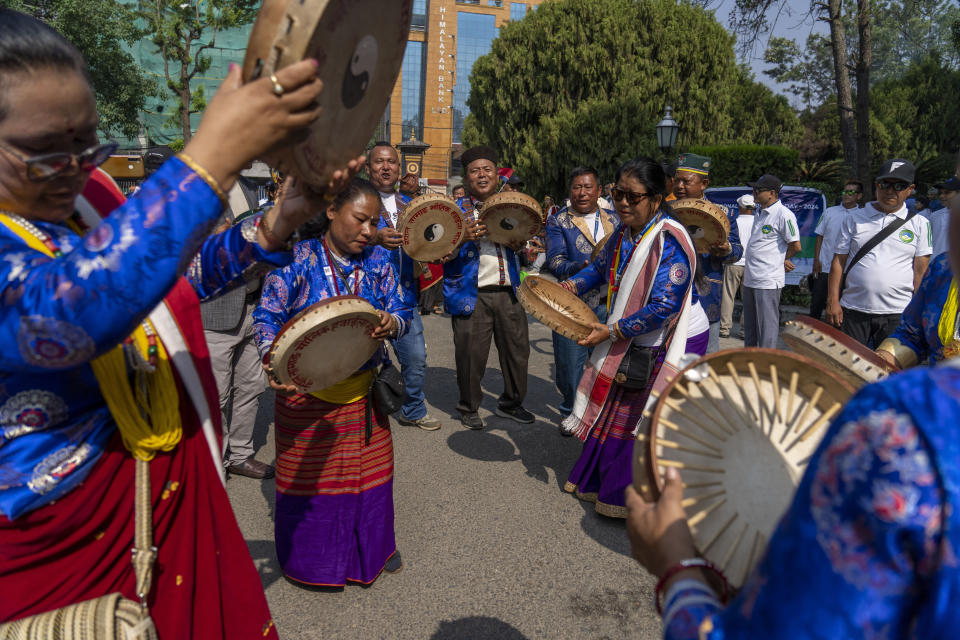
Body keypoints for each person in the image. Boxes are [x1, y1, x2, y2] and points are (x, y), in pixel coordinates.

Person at [0, 9, 358, 635]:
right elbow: (59, 314)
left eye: (89, 143)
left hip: (155, 506)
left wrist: (278, 221)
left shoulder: (91, 198)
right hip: (58, 549)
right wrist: (212, 154)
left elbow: (165, 291)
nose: (79, 166)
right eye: (44, 153)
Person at [624, 186, 960, 640]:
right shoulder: (941, 274)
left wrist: (679, 570)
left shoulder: (906, 427)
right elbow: (913, 336)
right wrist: (877, 364)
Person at [252, 178, 414, 587]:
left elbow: (401, 308)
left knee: (372, 482)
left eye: (374, 223)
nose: (368, 230)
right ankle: (314, 564)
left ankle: (372, 551)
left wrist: (391, 322)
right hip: (304, 396)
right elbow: (266, 315)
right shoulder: (297, 259)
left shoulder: (378, 261)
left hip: (362, 396)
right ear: (330, 211)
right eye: (360, 219)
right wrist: (273, 363)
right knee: (312, 488)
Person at [558, 157, 696, 516]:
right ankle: (599, 482)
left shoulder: (670, 240)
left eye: (632, 197)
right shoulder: (624, 232)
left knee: (638, 420)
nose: (622, 203)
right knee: (615, 409)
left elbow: (666, 306)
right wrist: (568, 287)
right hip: (630, 331)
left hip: (667, 338)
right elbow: (599, 270)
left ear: (655, 198)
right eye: (618, 193)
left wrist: (613, 330)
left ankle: (627, 498)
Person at [444, 145, 533, 430]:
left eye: (487, 170)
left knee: (517, 353)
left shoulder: (513, 206)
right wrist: (461, 238)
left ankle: (511, 403)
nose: (482, 175)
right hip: (472, 294)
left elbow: (526, 243)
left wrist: (521, 245)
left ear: (497, 174)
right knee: (471, 356)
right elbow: (436, 252)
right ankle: (469, 407)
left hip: (509, 292)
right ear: (466, 178)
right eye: (474, 171)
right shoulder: (453, 212)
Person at [367, 142, 441, 431]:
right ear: (367, 167)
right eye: (379, 162)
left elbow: (428, 240)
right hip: (364, 295)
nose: (386, 167)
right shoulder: (357, 200)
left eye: (391, 162)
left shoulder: (410, 205)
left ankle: (412, 409)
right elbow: (340, 235)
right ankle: (360, 419)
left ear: (399, 169)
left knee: (415, 358)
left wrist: (438, 251)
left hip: (404, 295)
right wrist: (375, 237)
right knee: (359, 360)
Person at [200, 203, 276, 479]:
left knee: (252, 386)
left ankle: (240, 455)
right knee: (216, 394)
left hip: (253, 311)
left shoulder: (247, 191)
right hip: (215, 317)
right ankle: (215, 458)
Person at [826, 159, 933, 348]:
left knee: (890, 372)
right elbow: (838, 261)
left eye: (899, 185)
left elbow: (920, 273)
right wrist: (833, 300)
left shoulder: (920, 224)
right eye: (885, 184)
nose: (890, 191)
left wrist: (918, 315)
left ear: (910, 189)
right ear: (876, 185)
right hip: (853, 310)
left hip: (898, 313)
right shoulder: (854, 219)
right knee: (849, 371)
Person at [544, 166, 618, 427]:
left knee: (606, 363)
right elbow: (555, 262)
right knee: (569, 365)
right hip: (572, 305)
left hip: (611, 305)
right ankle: (570, 412)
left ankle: (599, 414)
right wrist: (589, 266)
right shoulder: (557, 221)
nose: (582, 192)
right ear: (570, 191)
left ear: (599, 190)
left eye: (588, 187)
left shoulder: (616, 219)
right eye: (577, 187)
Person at [672, 153, 742, 354]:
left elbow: (737, 252)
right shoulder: (664, 212)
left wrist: (726, 249)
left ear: (704, 184)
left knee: (704, 359)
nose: (679, 186)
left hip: (706, 295)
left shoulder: (723, 215)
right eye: (676, 180)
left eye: (686, 181)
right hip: (669, 293)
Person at [741, 174, 801, 348]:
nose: (754, 192)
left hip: (767, 280)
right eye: (753, 189)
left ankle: (766, 364)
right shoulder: (759, 212)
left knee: (767, 327)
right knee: (750, 326)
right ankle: (750, 360)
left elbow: (795, 246)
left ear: (772, 193)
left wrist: (780, 259)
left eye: (758, 190)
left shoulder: (784, 215)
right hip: (751, 278)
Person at [809, 180, 863, 320]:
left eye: (851, 192)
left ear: (859, 196)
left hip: (847, 272)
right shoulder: (829, 212)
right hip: (825, 267)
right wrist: (817, 261)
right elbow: (819, 237)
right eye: (845, 191)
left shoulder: (862, 216)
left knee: (841, 308)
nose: (846, 195)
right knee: (817, 304)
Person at [718, 194, 755, 338]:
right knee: (748, 300)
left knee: (728, 297)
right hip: (751, 265)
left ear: (740, 207)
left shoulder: (735, 221)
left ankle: (724, 329)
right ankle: (745, 331)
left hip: (733, 262)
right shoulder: (758, 222)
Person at [930, 176, 959, 258]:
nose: (942, 196)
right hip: (935, 267)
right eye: (941, 193)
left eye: (947, 193)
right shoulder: (934, 216)